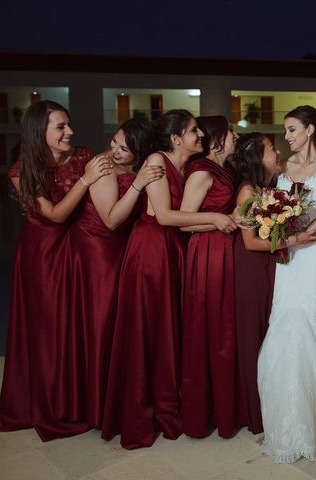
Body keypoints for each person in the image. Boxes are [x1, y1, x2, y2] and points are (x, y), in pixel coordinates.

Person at [101, 110, 237, 449]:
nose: (200, 136)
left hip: (173, 251)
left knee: (167, 328)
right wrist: (216, 217)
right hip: (150, 252)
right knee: (148, 327)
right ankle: (140, 409)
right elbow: (162, 215)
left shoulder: (186, 167)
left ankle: (167, 403)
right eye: (194, 131)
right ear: (176, 139)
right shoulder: (157, 160)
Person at [0, 100, 112, 440]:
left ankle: (81, 401)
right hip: (43, 255)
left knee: (79, 324)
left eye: (69, 124)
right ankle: (50, 404)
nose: (70, 132)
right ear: (39, 131)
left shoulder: (83, 155)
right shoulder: (21, 172)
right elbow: (55, 215)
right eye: (60, 127)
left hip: (80, 252)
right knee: (48, 329)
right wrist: (87, 179)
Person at [62, 119, 163, 428]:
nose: (115, 151)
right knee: (101, 322)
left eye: (125, 148)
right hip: (96, 251)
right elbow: (110, 220)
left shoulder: (138, 168)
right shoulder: (104, 167)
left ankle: (114, 395)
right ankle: (95, 404)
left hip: (120, 250)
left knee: (116, 324)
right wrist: (138, 185)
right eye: (115, 142)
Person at [257, 105, 316, 463]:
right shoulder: (283, 167)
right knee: (286, 323)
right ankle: (284, 417)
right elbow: (269, 206)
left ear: (309, 129)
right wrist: (285, 233)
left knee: (315, 320)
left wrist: (306, 235)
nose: (287, 137)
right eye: (286, 131)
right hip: (290, 259)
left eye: (292, 129)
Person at [180, 116, 241, 438]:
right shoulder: (202, 171)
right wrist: (220, 219)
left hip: (223, 251)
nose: (236, 134)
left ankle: (226, 405)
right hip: (206, 253)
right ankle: (204, 411)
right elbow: (185, 222)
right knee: (210, 328)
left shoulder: (225, 170)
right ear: (219, 138)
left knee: (225, 328)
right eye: (232, 131)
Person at [230, 133, 282, 434]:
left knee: (268, 332)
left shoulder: (269, 187)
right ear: (257, 157)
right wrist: (293, 240)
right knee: (253, 334)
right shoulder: (248, 191)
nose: (277, 152)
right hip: (251, 267)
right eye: (272, 149)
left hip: (268, 264)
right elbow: (250, 241)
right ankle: (255, 412)